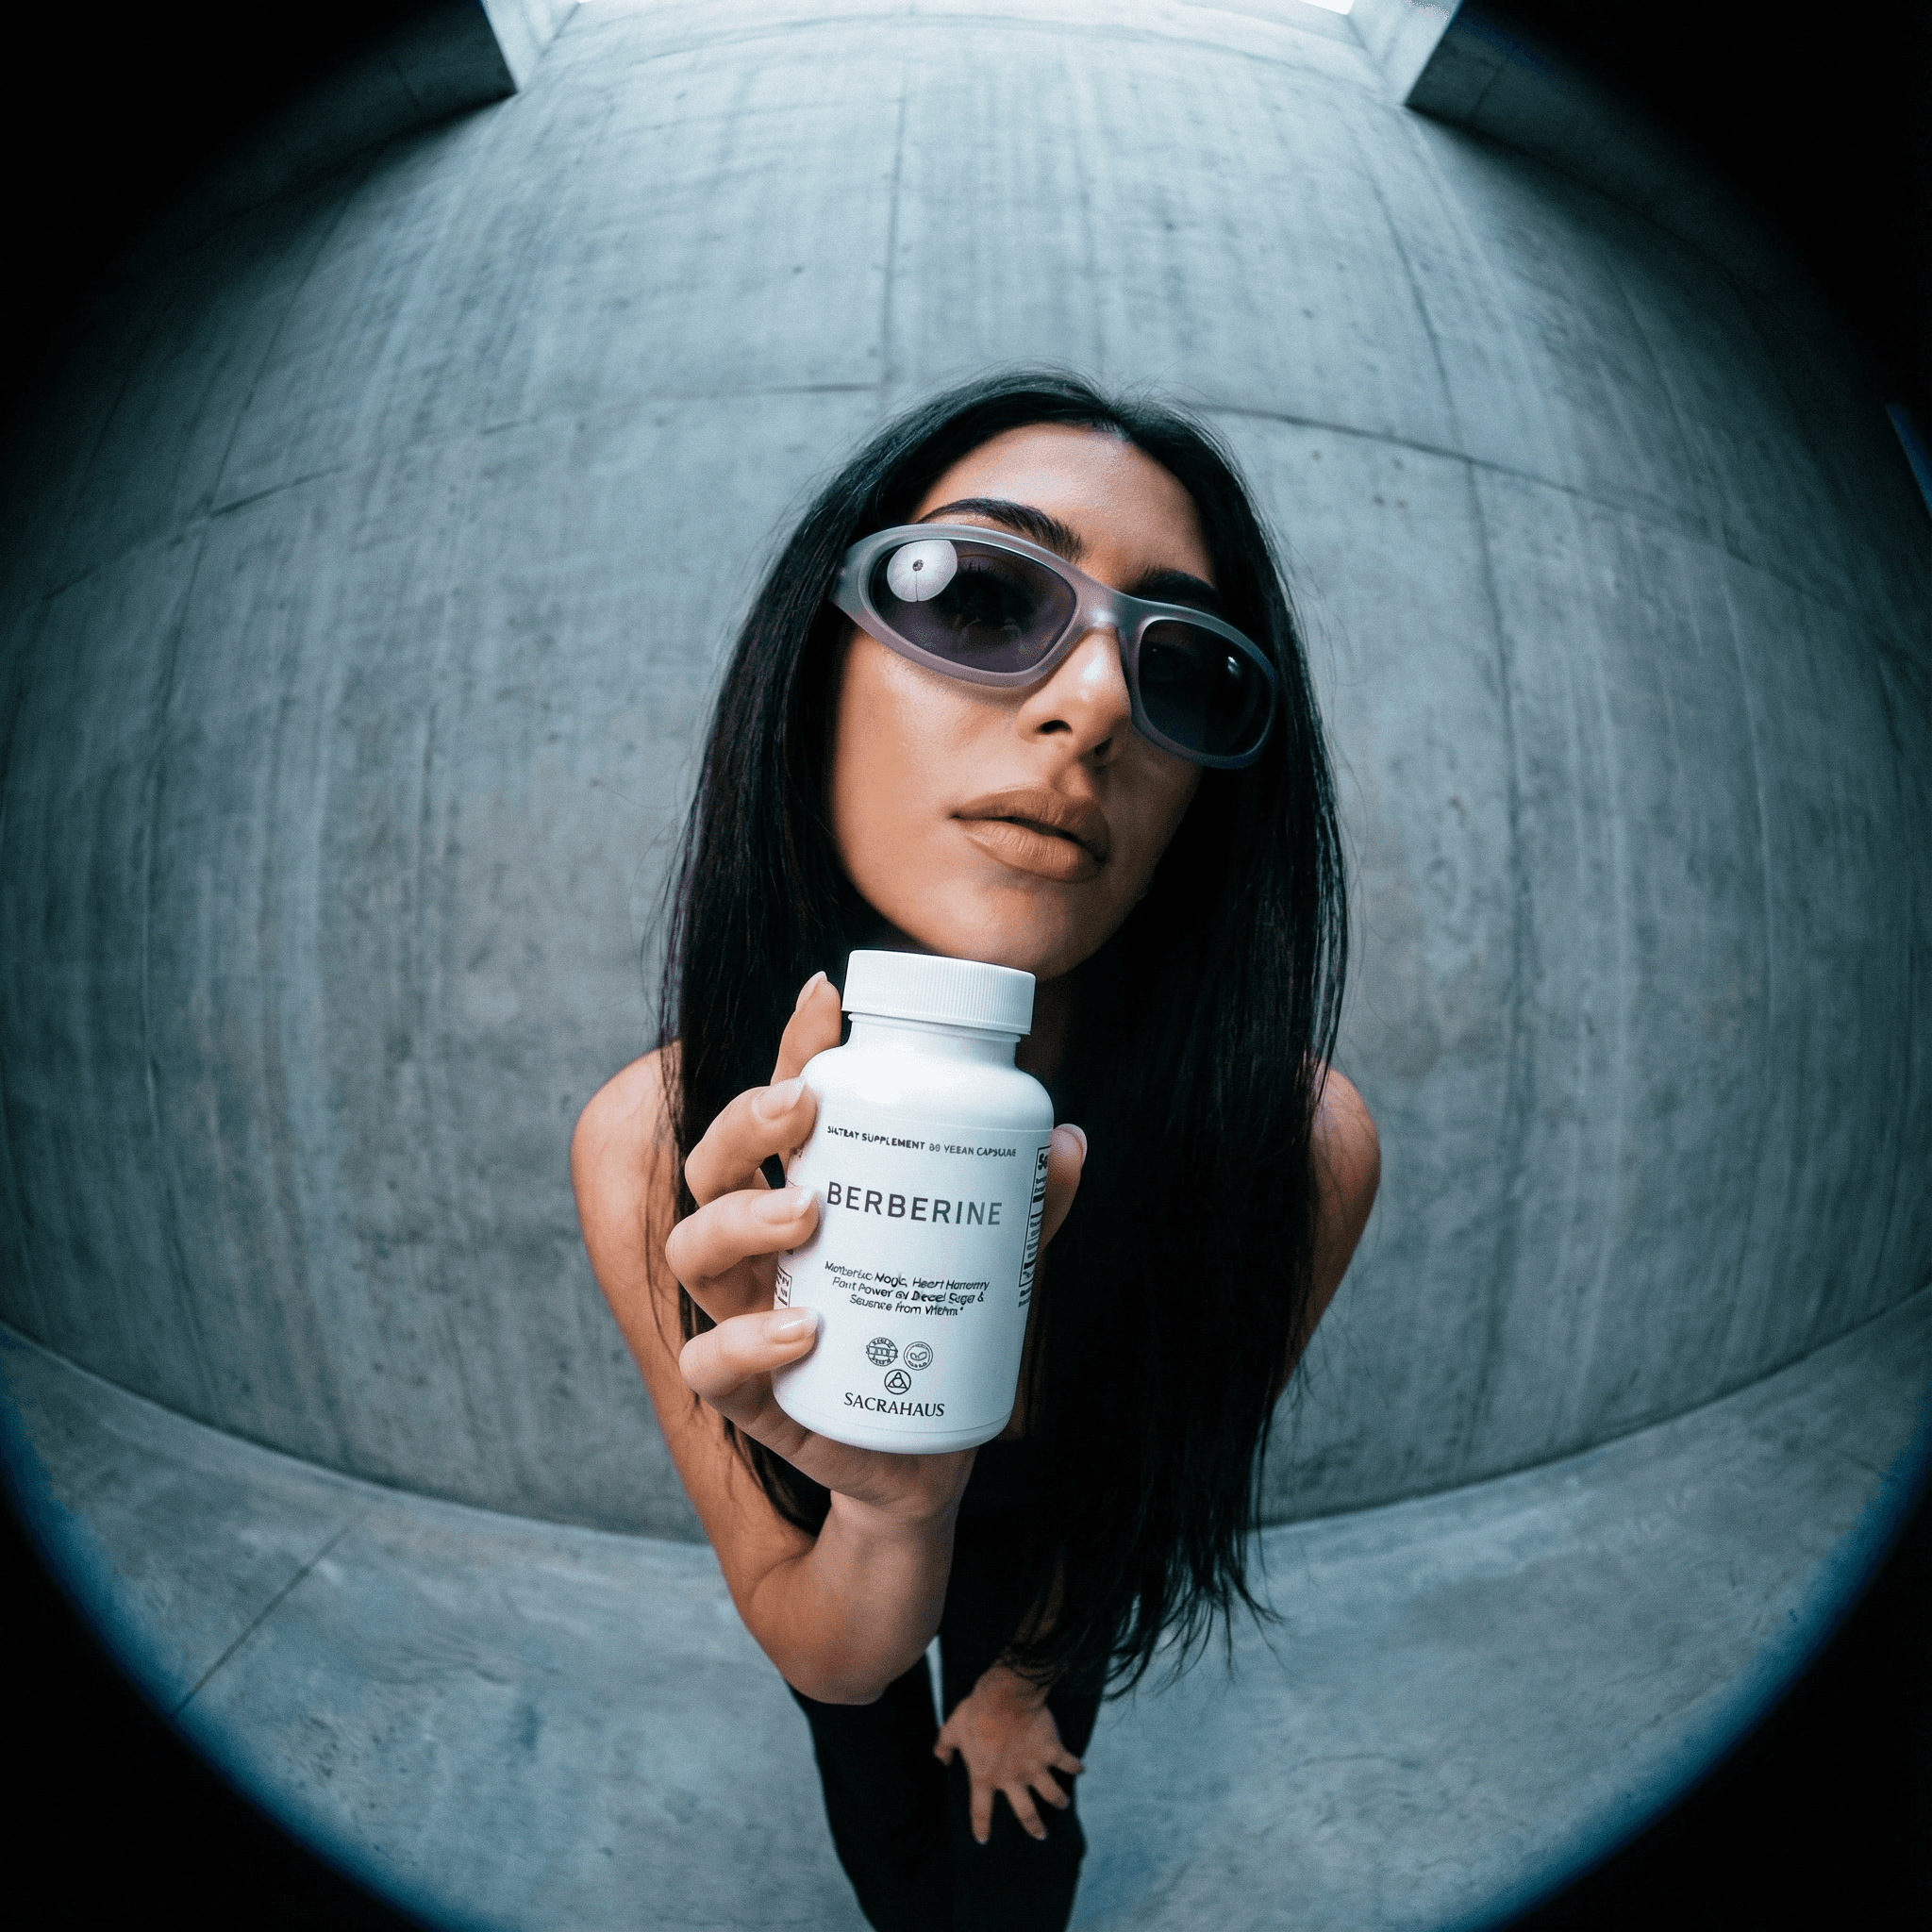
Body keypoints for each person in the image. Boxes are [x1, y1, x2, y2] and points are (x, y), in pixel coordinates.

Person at [571, 369, 1380, 1932]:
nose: (1088, 704)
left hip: (1068, 1567)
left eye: (1185, 668)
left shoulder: (1298, 1142)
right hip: (834, 1545)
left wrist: (1023, 1678)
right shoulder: (653, 1138)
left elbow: (1164, 1482)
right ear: (819, 674)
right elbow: (820, 1641)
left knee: (1017, 1884)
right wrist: (884, 1518)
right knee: (891, 1858)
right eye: (983, 593)